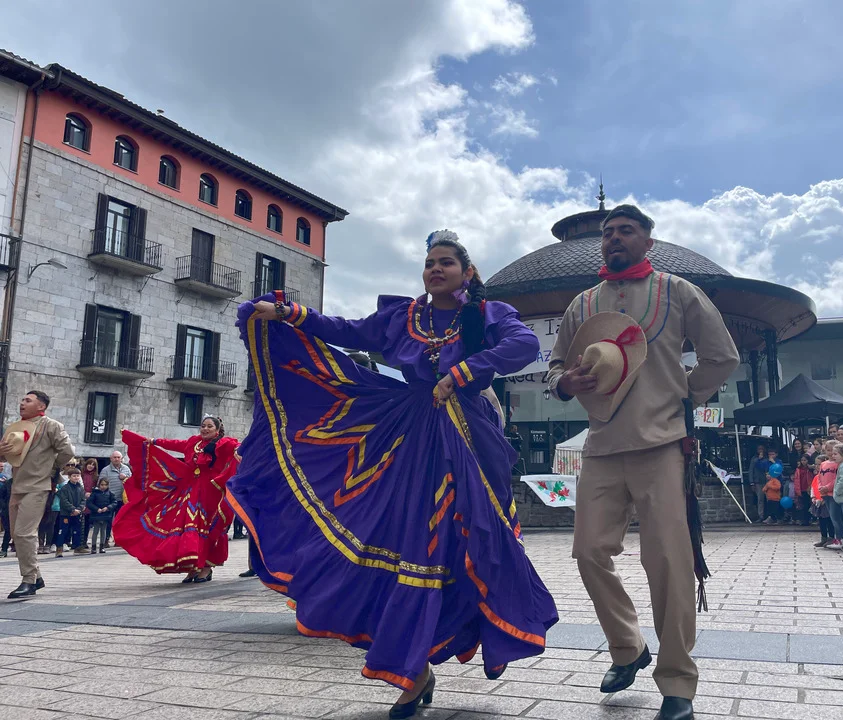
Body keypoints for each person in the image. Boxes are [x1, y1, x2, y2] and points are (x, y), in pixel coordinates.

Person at [231, 230, 558, 718]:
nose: (436, 269)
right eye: (430, 263)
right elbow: (347, 331)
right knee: (403, 544)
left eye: (446, 262)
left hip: (467, 436)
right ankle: (413, 670)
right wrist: (289, 314)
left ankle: (481, 630)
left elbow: (524, 344)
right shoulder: (404, 317)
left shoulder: (486, 314)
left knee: (471, 542)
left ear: (467, 272)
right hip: (407, 437)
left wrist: (463, 372)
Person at [546, 204, 739, 720]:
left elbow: (723, 355)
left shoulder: (678, 291)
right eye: (608, 232)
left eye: (626, 230)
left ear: (648, 241)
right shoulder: (583, 303)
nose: (614, 237)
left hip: (664, 444)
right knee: (588, 551)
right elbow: (556, 367)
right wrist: (565, 382)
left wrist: (683, 397)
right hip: (602, 445)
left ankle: (677, 683)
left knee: (670, 562)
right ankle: (628, 647)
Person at [112, 416, 239, 583]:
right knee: (186, 523)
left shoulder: (224, 444)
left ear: (217, 430)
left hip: (212, 492)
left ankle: (206, 568)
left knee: (208, 527)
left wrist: (244, 450)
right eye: (203, 426)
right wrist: (154, 441)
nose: (205, 429)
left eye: (209, 426)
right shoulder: (194, 442)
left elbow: (240, 448)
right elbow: (175, 444)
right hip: (191, 489)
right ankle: (193, 566)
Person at [0, 391, 76, 598]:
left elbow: (68, 451)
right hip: (17, 486)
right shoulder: (16, 427)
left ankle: (29, 581)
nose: (22, 403)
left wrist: (51, 470)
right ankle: (37, 577)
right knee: (17, 535)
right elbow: (7, 457)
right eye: (22, 400)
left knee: (25, 533)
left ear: (41, 406)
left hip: (38, 486)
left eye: (28, 400)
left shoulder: (52, 426)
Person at [99, 451, 131, 548]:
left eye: (118, 457)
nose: (116, 459)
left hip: (123, 500)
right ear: (111, 458)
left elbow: (132, 482)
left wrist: (125, 477)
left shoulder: (126, 469)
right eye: (115, 457)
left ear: (121, 458)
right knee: (108, 521)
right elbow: (100, 484)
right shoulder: (105, 470)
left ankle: (118, 540)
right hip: (110, 500)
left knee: (120, 521)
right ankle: (105, 540)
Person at [56, 467, 89, 555]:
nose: (76, 478)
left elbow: (83, 500)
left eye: (78, 476)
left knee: (77, 531)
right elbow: (64, 501)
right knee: (63, 531)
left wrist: (79, 509)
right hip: (66, 514)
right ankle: (59, 549)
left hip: (77, 513)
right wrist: (73, 509)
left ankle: (77, 547)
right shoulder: (65, 488)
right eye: (74, 476)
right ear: (69, 477)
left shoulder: (80, 488)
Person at [820, 441, 843, 549]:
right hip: (825, 493)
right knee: (831, 517)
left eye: (833, 451)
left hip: (834, 493)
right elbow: (820, 477)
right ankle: (836, 538)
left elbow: (837, 479)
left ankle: (841, 538)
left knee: (836, 518)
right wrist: (821, 487)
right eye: (828, 450)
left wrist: (827, 487)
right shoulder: (823, 464)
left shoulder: (838, 465)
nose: (830, 453)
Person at [86, 478, 117, 554]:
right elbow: (89, 503)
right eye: (102, 485)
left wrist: (108, 508)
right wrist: (96, 509)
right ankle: (93, 547)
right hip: (96, 515)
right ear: (99, 485)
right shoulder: (94, 493)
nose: (103, 486)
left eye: (105, 485)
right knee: (95, 531)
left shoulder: (110, 493)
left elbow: (114, 502)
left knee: (103, 531)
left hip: (106, 514)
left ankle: (102, 546)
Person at [811, 455, 835, 547]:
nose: (817, 466)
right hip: (818, 502)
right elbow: (813, 488)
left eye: (819, 464)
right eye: (816, 464)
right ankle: (823, 537)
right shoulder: (816, 477)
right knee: (821, 521)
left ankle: (831, 537)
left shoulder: (827, 476)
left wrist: (824, 499)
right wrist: (813, 497)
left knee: (829, 520)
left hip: (826, 500)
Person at [80, 458, 99, 549]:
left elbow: (97, 488)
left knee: (87, 523)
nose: (91, 466)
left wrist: (91, 494)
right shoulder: (81, 474)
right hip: (80, 499)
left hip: (90, 501)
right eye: (89, 464)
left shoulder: (96, 477)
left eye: (93, 465)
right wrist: (84, 493)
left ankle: (84, 541)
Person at [748, 445, 770, 522]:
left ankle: (770, 515)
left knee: (769, 499)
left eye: (762, 449)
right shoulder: (754, 459)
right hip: (758, 482)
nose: (760, 450)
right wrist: (751, 482)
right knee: (760, 500)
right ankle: (761, 516)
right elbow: (751, 470)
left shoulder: (767, 458)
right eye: (759, 449)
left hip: (767, 481)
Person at [793, 455, 814, 526]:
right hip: (801, 488)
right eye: (802, 460)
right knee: (802, 505)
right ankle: (804, 520)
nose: (803, 462)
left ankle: (808, 519)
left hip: (808, 488)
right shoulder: (798, 469)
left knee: (808, 504)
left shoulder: (810, 469)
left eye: (805, 460)